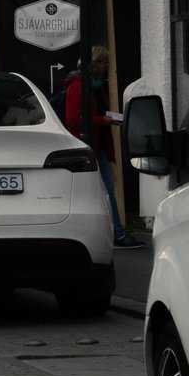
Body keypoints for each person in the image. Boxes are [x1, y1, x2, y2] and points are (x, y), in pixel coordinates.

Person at [65, 46, 143, 248]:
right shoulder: (78, 86)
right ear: (94, 63)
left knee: (107, 190)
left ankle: (115, 232)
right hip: (88, 146)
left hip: (98, 145)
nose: (107, 66)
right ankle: (116, 234)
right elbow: (73, 120)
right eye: (103, 62)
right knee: (103, 190)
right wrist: (103, 120)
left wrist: (110, 118)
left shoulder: (96, 86)